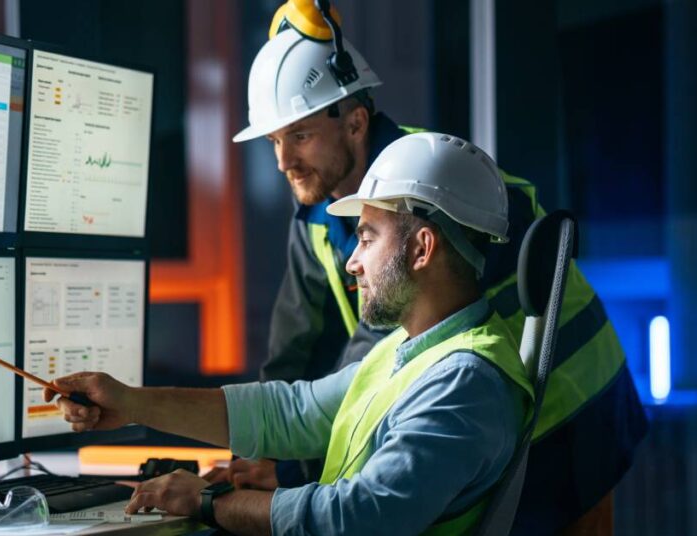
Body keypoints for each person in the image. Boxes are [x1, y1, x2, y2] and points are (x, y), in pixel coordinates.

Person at [220, 3, 648, 533]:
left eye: (300, 135)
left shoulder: (441, 185)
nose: (282, 161)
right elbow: (294, 349)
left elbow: (387, 345)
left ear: (354, 122)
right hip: (497, 409)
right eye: (274, 141)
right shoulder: (316, 210)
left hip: (577, 392)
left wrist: (289, 467)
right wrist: (259, 453)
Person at [49, 133, 535, 535]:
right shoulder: (412, 352)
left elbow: (358, 517)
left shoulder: (464, 384)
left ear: (421, 249)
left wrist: (210, 501)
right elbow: (292, 412)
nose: (352, 262)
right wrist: (130, 402)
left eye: (366, 239)